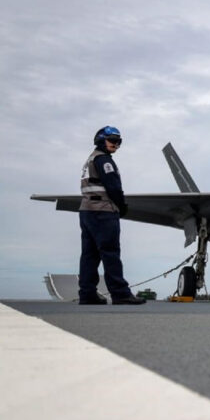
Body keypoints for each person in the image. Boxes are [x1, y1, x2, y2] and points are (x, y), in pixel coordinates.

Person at [78, 126, 144, 305]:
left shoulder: (90, 160)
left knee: (89, 255)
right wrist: (121, 206)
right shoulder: (104, 160)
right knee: (110, 252)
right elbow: (113, 186)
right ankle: (120, 293)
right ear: (101, 139)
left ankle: (87, 293)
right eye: (113, 140)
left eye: (119, 141)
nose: (116, 144)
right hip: (103, 211)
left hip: (87, 211)